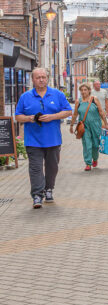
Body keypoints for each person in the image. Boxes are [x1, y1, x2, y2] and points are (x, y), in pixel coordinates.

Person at [14, 68, 73, 208]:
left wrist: (53, 116)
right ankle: (37, 195)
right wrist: (29, 118)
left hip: (53, 139)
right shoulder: (25, 97)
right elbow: (17, 116)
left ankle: (49, 189)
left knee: (52, 167)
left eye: (43, 77)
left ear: (47, 78)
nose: (41, 79)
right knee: (35, 168)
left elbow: (68, 111)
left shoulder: (57, 94)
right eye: (38, 77)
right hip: (33, 140)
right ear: (33, 80)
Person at [69, 81, 108, 171]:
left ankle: (95, 159)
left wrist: (106, 124)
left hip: (95, 125)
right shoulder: (78, 101)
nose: (83, 92)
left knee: (95, 144)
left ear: (89, 91)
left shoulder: (94, 99)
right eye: (82, 90)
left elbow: (101, 112)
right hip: (84, 126)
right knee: (87, 144)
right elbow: (75, 114)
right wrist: (71, 125)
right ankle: (88, 163)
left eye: (85, 90)